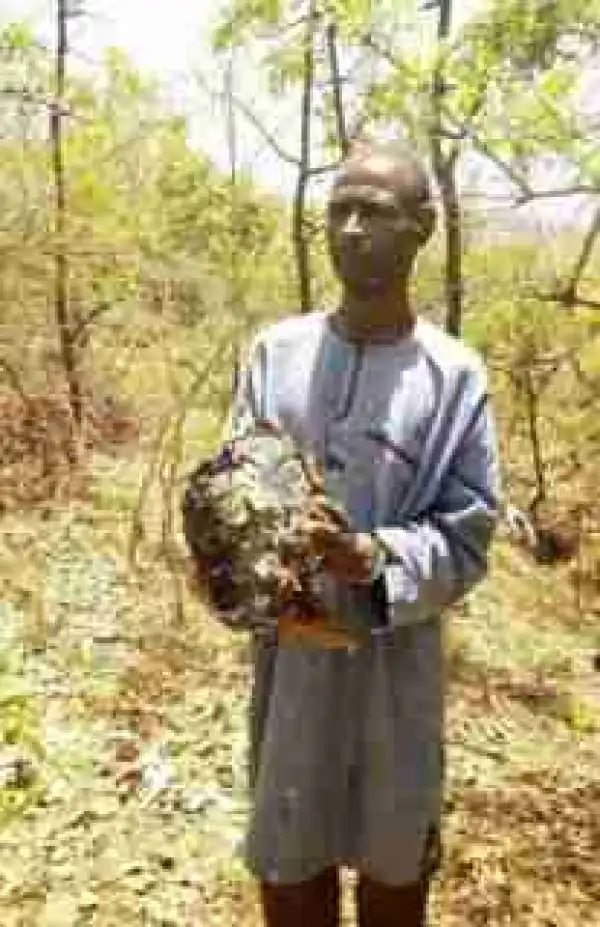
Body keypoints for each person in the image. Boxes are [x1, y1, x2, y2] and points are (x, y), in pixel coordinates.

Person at [197, 138, 501, 926]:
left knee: (395, 870)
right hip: (293, 664)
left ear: (422, 228)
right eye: (338, 210)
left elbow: (469, 534)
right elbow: (236, 486)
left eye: (375, 211)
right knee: (291, 863)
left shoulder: (453, 376)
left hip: (395, 670)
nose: (351, 228)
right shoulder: (277, 352)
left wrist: (372, 555)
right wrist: (240, 549)